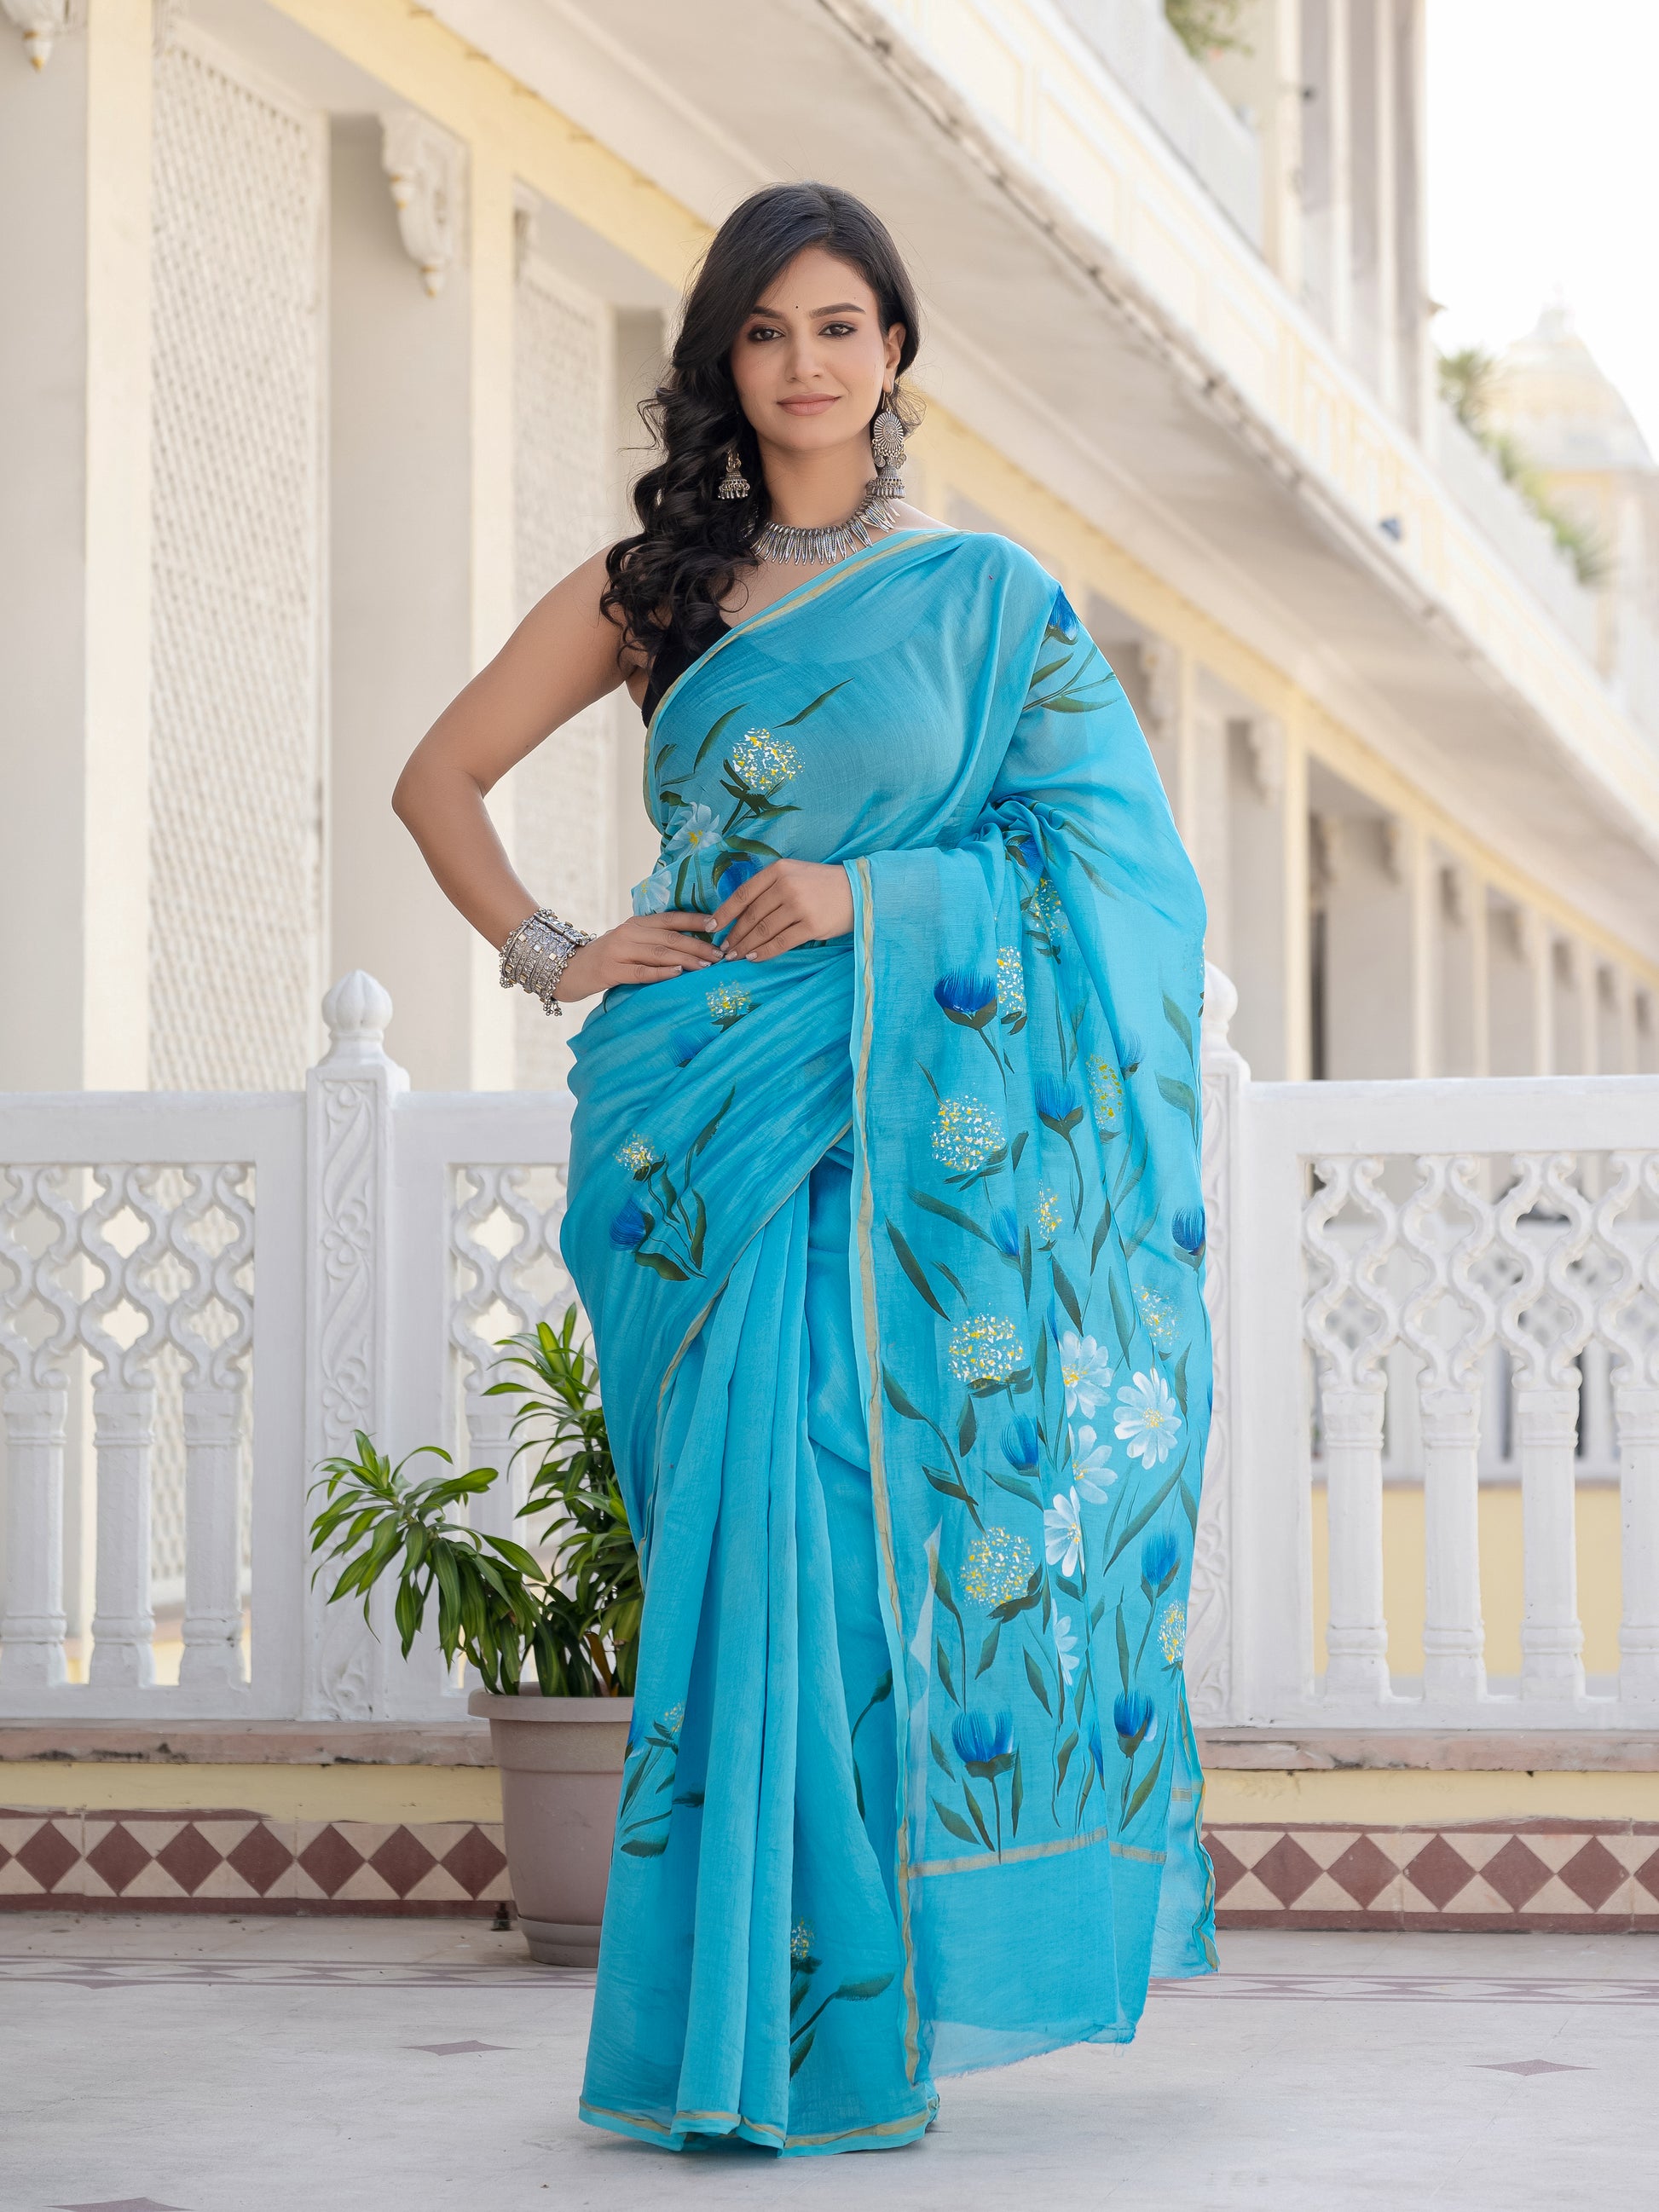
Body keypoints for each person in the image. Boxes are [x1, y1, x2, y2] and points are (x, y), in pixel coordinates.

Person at [393, 179, 1217, 2159]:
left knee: (854, 1551)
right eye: (764, 331)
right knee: (730, 1557)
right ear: (722, 362)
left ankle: (841, 2028)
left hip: (896, 1127)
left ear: (895, 349)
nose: (803, 363)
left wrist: (873, 893)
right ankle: (728, 2031)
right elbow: (437, 778)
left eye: (838, 325)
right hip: (696, 1122)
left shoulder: (986, 599)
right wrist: (557, 950)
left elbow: (1124, 879)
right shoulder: (653, 588)